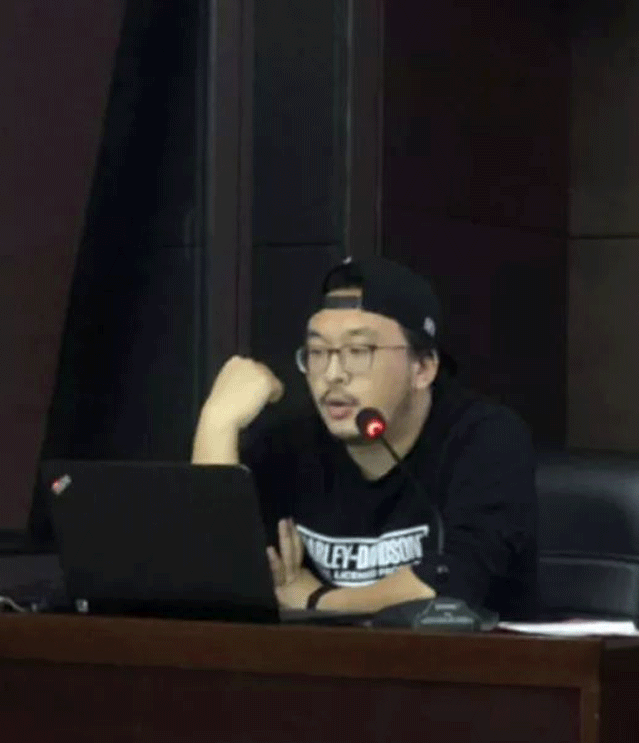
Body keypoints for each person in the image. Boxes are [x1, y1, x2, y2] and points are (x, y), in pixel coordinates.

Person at [190, 255, 539, 619]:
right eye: (318, 352)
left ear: (422, 368)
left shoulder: (486, 439)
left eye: (358, 352)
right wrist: (217, 423)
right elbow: (210, 584)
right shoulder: (289, 447)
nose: (332, 374)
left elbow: (453, 584)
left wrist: (318, 601)